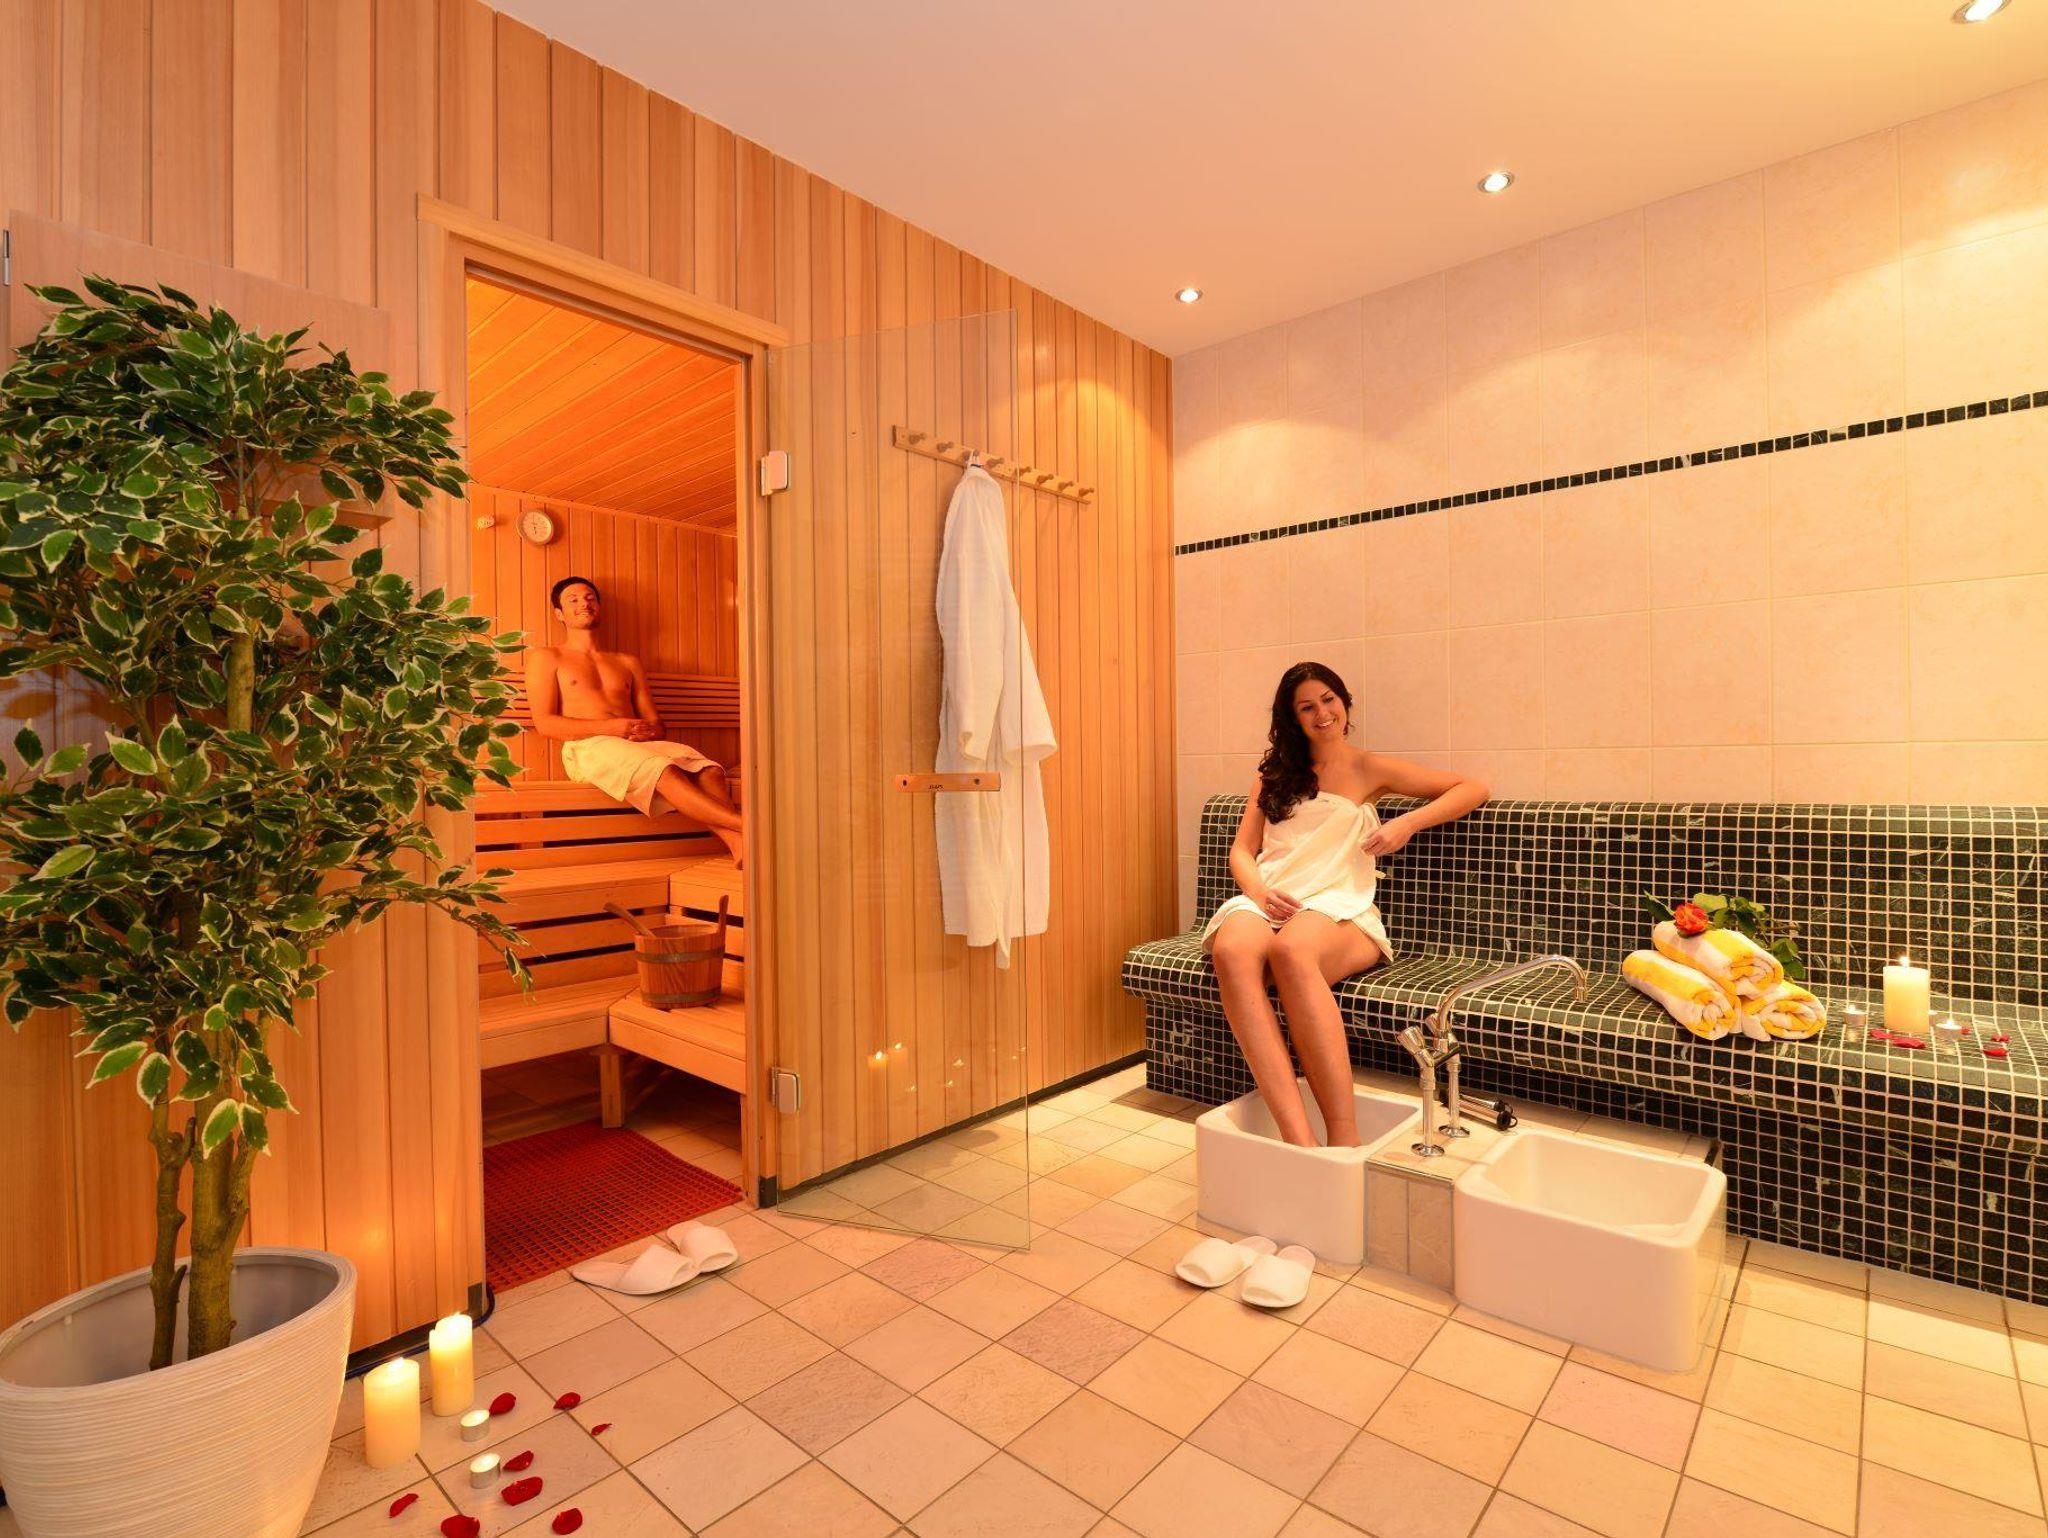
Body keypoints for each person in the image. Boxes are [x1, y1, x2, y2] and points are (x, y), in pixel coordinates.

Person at [1202, 661, 1487, 1148]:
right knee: (1231, 952)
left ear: (1345, 703)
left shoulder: (1366, 767)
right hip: (1271, 896)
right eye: (1306, 707)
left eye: (1328, 700)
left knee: (1291, 952)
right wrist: (1259, 893)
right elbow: (1242, 851)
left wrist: (1405, 824)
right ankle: (1299, 1140)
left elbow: (1472, 788)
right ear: (1292, 718)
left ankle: (1343, 1135)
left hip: (1337, 905)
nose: (1322, 713)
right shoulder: (1273, 775)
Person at [524, 575, 745, 867]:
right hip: (586, 747)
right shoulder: (547, 657)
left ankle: (740, 846)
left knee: (709, 770)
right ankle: (752, 826)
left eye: (590, 597)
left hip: (635, 745)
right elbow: (545, 723)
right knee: (662, 769)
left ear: (599, 606)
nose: (584, 603)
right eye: (573, 600)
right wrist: (610, 728)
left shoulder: (627, 662)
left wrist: (646, 731)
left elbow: (657, 724)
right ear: (559, 614)